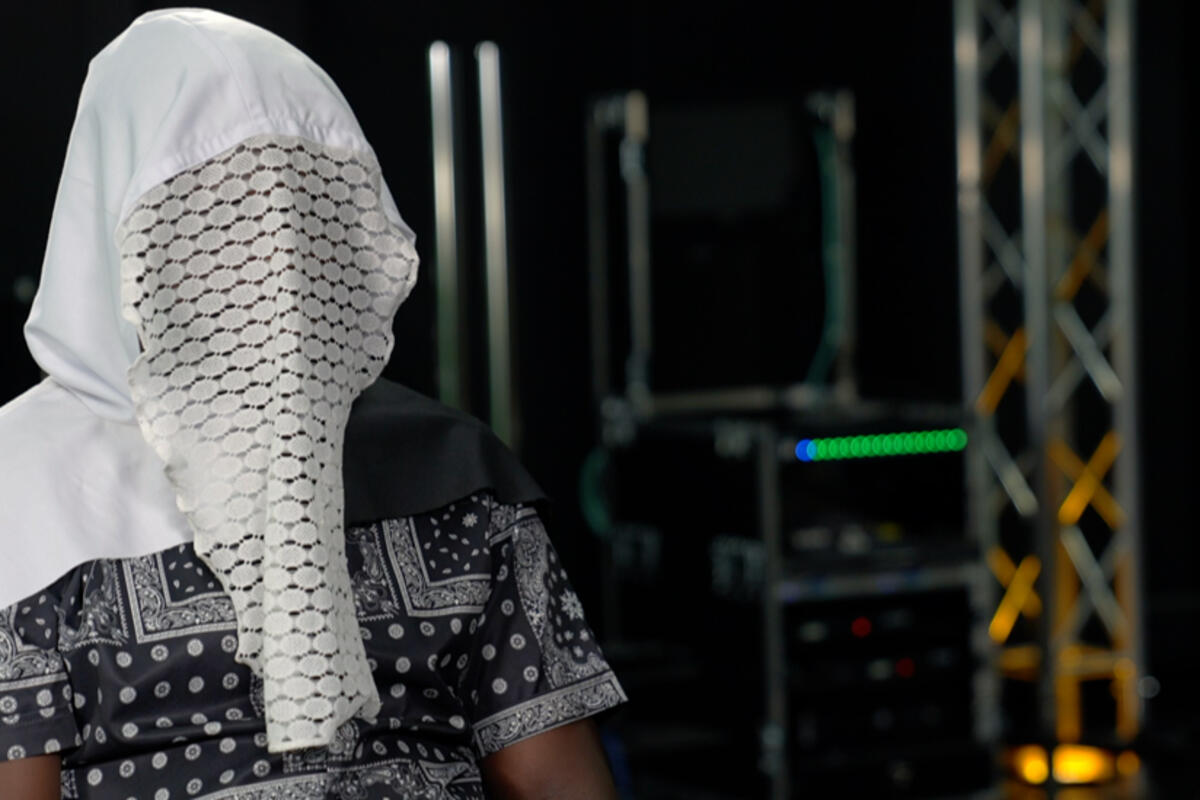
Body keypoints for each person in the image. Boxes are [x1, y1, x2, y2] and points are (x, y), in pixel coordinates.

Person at [0, 8, 625, 799]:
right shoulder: (22, 484)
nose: (274, 261)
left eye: (303, 208)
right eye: (217, 217)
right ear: (114, 231)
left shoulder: (453, 468)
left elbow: (554, 776)